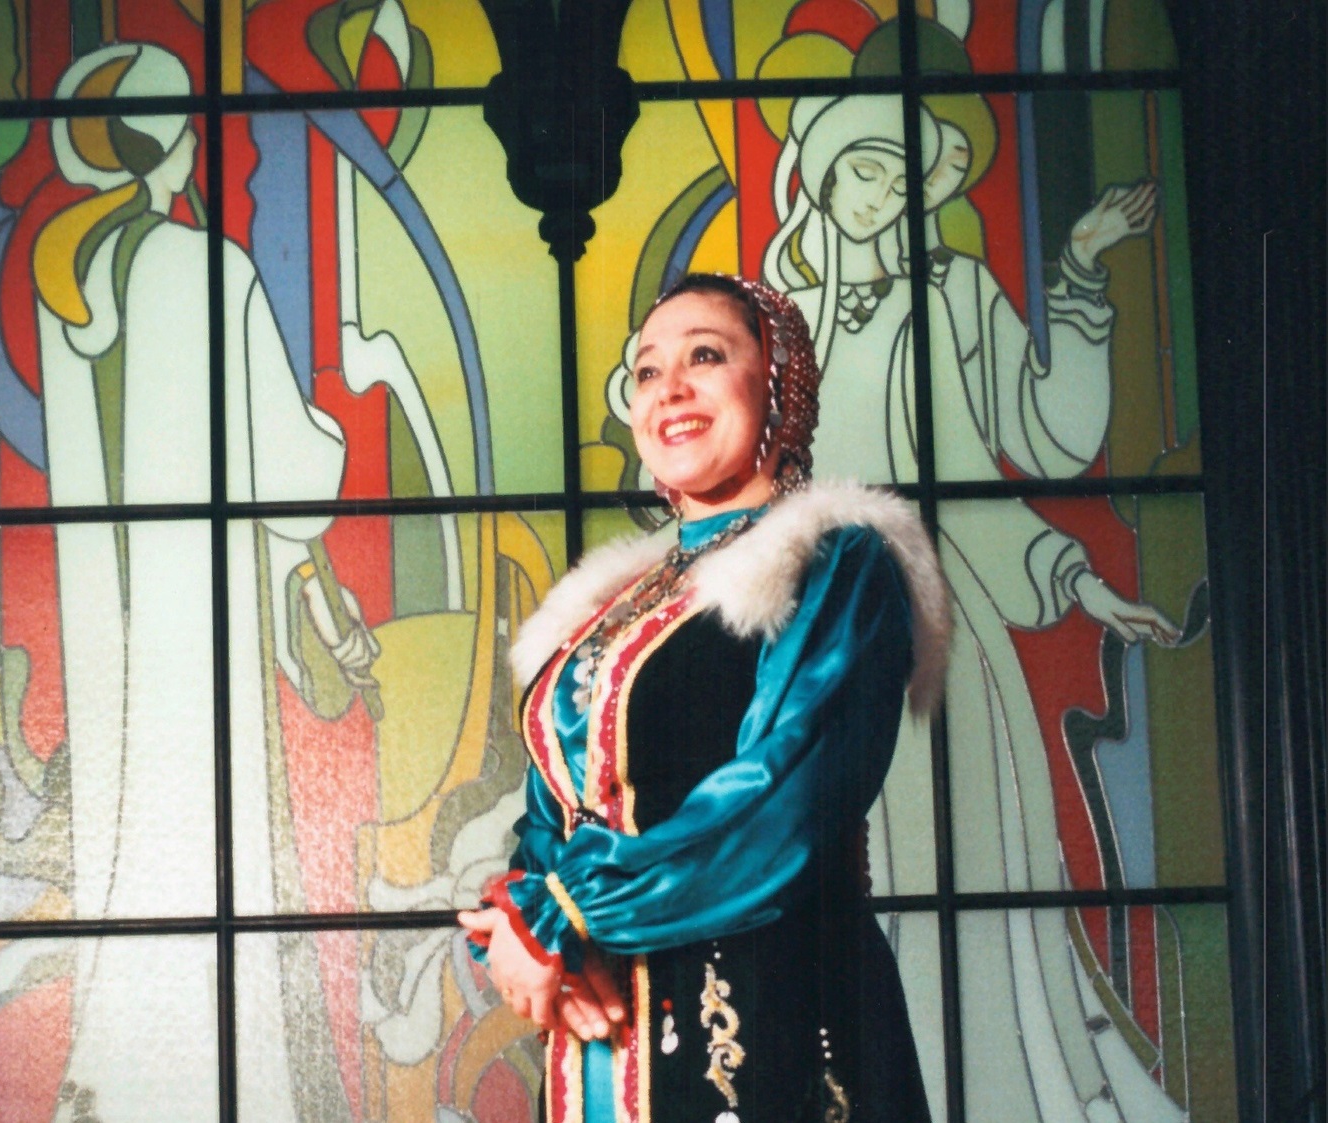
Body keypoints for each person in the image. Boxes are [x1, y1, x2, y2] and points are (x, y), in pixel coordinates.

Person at [762, 92, 1183, 1123]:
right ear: (823, 174)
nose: (880, 196)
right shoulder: (773, 324)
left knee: (958, 878)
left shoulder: (948, 293)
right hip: (796, 663)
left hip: (928, 649)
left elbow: (1036, 444)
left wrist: (1079, 269)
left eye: (902, 180)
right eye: (864, 170)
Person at [460, 272, 950, 1123]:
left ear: (780, 385)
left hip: (771, 1014)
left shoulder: (834, 562)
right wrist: (529, 927)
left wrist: (564, 913)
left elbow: (779, 805)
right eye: (648, 370)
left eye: (706, 357)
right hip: (602, 1038)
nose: (671, 389)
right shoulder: (607, 607)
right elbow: (550, 818)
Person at [29, 43, 375, 1122]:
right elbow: (293, 477)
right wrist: (329, 433)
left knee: (131, 844)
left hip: (112, 632)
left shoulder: (65, 286)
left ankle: (118, 1082)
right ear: (169, 142)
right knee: (211, 838)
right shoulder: (202, 267)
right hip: (196, 627)